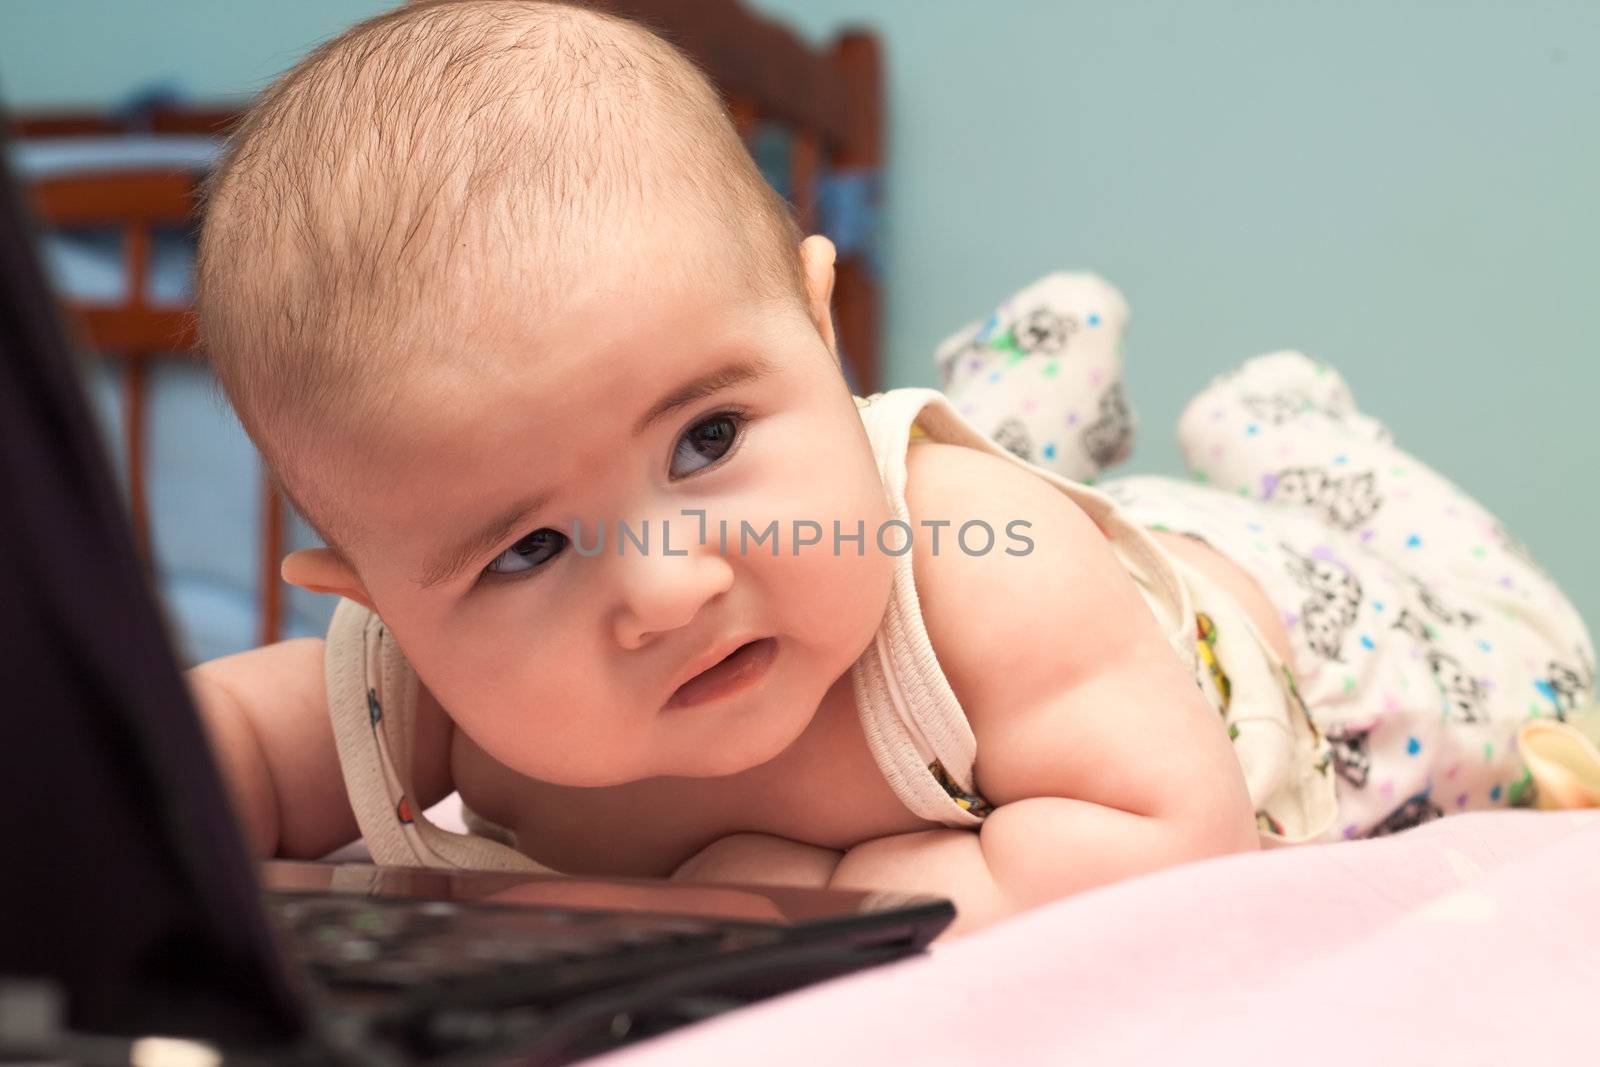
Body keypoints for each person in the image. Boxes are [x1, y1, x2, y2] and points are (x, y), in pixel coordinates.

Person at [186, 0, 1593, 940]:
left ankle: (1307, 444)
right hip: (991, 564)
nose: (670, 589)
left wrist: (831, 892)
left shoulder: (984, 566)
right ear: (375, 600)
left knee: (1529, 669)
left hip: (1275, 632)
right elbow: (206, 755)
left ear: (818, 325)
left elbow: (1170, 843)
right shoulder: (422, 692)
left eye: (708, 440)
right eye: (528, 552)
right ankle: (1029, 397)